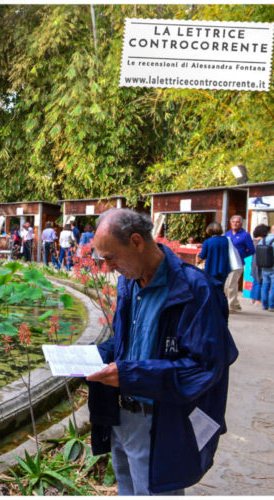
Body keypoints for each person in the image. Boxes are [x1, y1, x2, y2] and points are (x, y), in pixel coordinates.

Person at [86, 208, 238, 495]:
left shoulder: (195, 290)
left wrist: (132, 374)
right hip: (122, 418)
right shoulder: (129, 283)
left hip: (161, 423)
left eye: (110, 257)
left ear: (136, 242)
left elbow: (204, 368)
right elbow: (125, 343)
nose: (107, 267)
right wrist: (89, 356)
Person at [224, 215, 255, 312]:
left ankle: (231, 307)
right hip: (227, 263)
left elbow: (251, 249)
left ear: (241, 223)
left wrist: (241, 255)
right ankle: (236, 304)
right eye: (233, 221)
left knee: (231, 285)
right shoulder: (227, 234)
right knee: (226, 285)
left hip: (238, 264)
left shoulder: (245, 235)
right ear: (230, 223)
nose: (235, 223)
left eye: (237, 222)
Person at [196, 222, 230, 291]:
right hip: (224, 268)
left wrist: (197, 256)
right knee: (220, 289)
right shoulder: (226, 240)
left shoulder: (207, 242)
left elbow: (202, 256)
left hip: (211, 268)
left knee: (211, 289)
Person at [249, 224, 270, 305]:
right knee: (259, 281)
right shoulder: (260, 241)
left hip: (254, 263)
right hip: (259, 263)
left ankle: (254, 298)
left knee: (255, 280)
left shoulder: (255, 241)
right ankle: (257, 300)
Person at [257, 225, 274, 311]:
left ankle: (264, 305)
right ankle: (272, 306)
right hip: (273, 267)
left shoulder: (262, 240)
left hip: (264, 266)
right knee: (273, 287)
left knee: (265, 286)